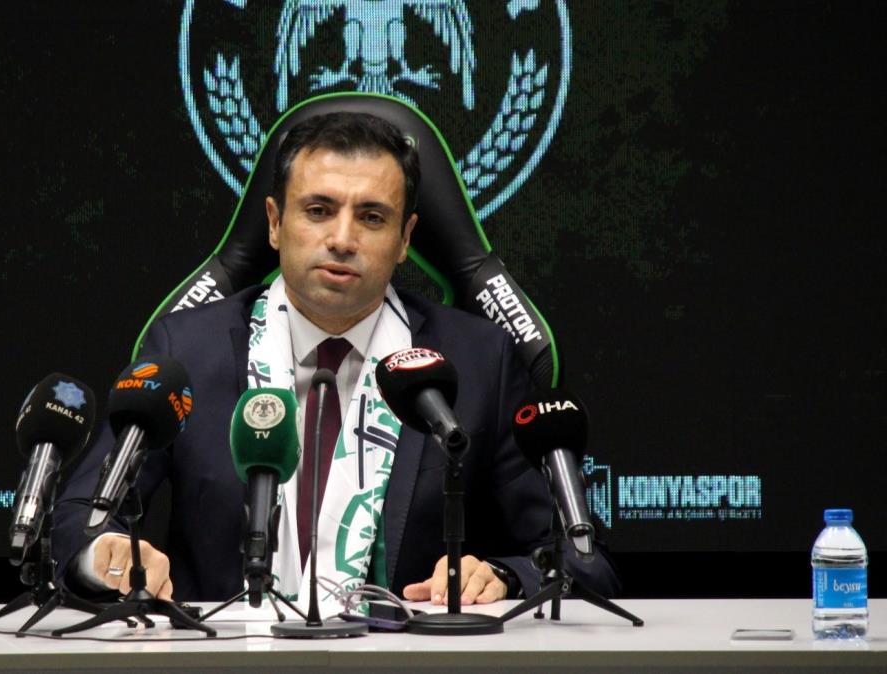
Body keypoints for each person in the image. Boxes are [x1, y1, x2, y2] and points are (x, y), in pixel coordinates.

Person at [52, 111, 619, 606]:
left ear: (405, 238)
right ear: (275, 223)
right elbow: (81, 515)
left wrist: (504, 576)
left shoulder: (478, 360)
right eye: (319, 210)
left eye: (372, 217)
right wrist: (108, 553)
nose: (343, 239)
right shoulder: (187, 351)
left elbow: (582, 557)